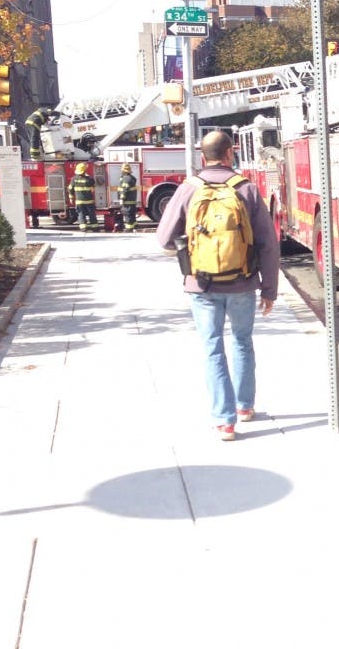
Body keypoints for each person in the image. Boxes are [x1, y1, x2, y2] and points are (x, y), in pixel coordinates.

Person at [156, 130, 280, 441]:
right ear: (230, 153)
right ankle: (244, 407)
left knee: (213, 348)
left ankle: (225, 422)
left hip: (202, 285)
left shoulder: (188, 188)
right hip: (242, 282)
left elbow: (164, 238)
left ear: (202, 156)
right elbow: (268, 244)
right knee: (242, 342)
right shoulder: (246, 189)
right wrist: (269, 290)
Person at [68, 162, 98, 232]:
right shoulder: (89, 179)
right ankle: (95, 228)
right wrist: (88, 176)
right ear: (84, 170)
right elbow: (93, 187)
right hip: (89, 201)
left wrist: (71, 198)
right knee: (92, 215)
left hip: (79, 201)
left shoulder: (73, 179)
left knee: (81, 214)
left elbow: (70, 189)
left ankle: (83, 228)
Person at [117, 163, 138, 232]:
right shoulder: (131, 177)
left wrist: (122, 198)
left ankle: (129, 228)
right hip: (132, 200)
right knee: (132, 214)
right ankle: (134, 226)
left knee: (127, 213)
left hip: (127, 200)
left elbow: (124, 190)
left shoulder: (126, 178)